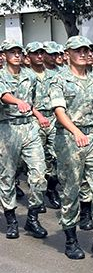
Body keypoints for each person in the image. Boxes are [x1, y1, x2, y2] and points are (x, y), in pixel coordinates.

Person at [50, 36, 93, 261]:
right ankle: (71, 240)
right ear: (68, 53)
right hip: (69, 137)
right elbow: (59, 111)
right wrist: (76, 132)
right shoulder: (59, 79)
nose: (83, 54)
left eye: (86, 50)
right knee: (71, 189)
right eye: (77, 50)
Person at [0, 39, 49, 239]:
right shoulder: (1, 75)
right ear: (4, 55)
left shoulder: (30, 76)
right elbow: (3, 95)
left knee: (39, 175)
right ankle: (11, 220)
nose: (16, 55)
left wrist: (38, 115)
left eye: (19, 52)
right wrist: (18, 101)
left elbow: (31, 102)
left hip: (29, 128)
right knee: (7, 176)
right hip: (7, 128)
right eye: (12, 52)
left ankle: (32, 218)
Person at [27, 41, 61, 209]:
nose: (40, 56)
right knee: (37, 162)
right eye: (36, 53)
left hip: (54, 118)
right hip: (34, 119)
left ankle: (51, 189)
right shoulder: (26, 75)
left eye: (42, 53)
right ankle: (37, 198)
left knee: (57, 158)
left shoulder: (55, 74)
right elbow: (26, 101)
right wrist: (39, 116)